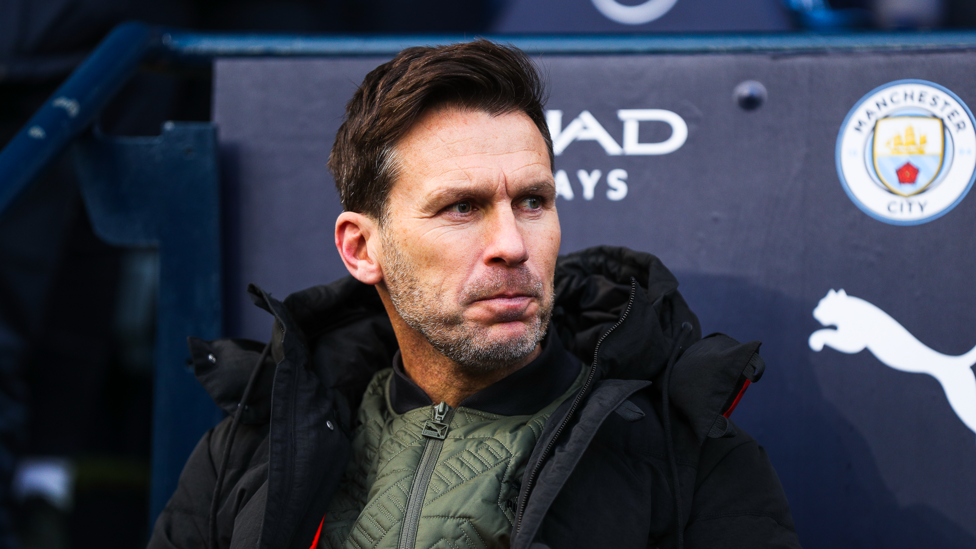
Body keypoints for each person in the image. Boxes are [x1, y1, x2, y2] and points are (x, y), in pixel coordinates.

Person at [147, 39, 802, 549]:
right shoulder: (246, 454)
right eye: (462, 207)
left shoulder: (688, 461)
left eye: (533, 201)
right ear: (361, 248)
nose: (512, 244)